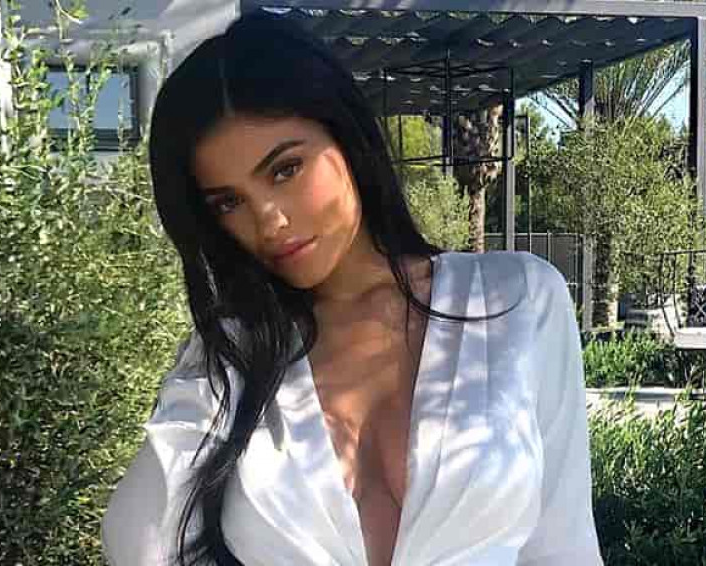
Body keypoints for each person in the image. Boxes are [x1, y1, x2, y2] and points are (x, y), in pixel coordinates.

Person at [101, 11, 604, 566]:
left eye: (285, 169)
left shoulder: (517, 300)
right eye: (228, 202)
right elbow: (140, 542)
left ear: (346, 138)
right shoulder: (237, 352)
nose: (269, 222)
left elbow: (564, 547)